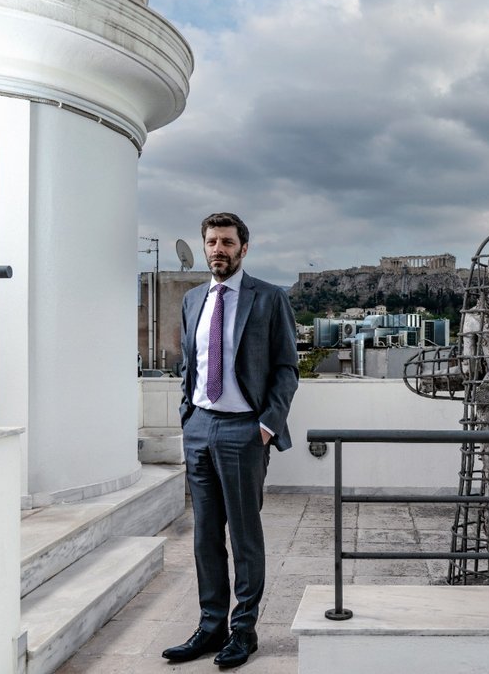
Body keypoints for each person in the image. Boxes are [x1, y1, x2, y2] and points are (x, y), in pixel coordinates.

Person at [161, 212, 299, 668]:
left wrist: (267, 425)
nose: (218, 249)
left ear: (243, 248)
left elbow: (287, 368)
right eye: (212, 242)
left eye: (226, 242)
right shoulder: (193, 299)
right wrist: (188, 416)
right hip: (200, 428)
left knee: (244, 537)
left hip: (244, 430)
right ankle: (210, 627)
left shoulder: (269, 298)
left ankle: (244, 630)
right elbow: (190, 363)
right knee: (205, 537)